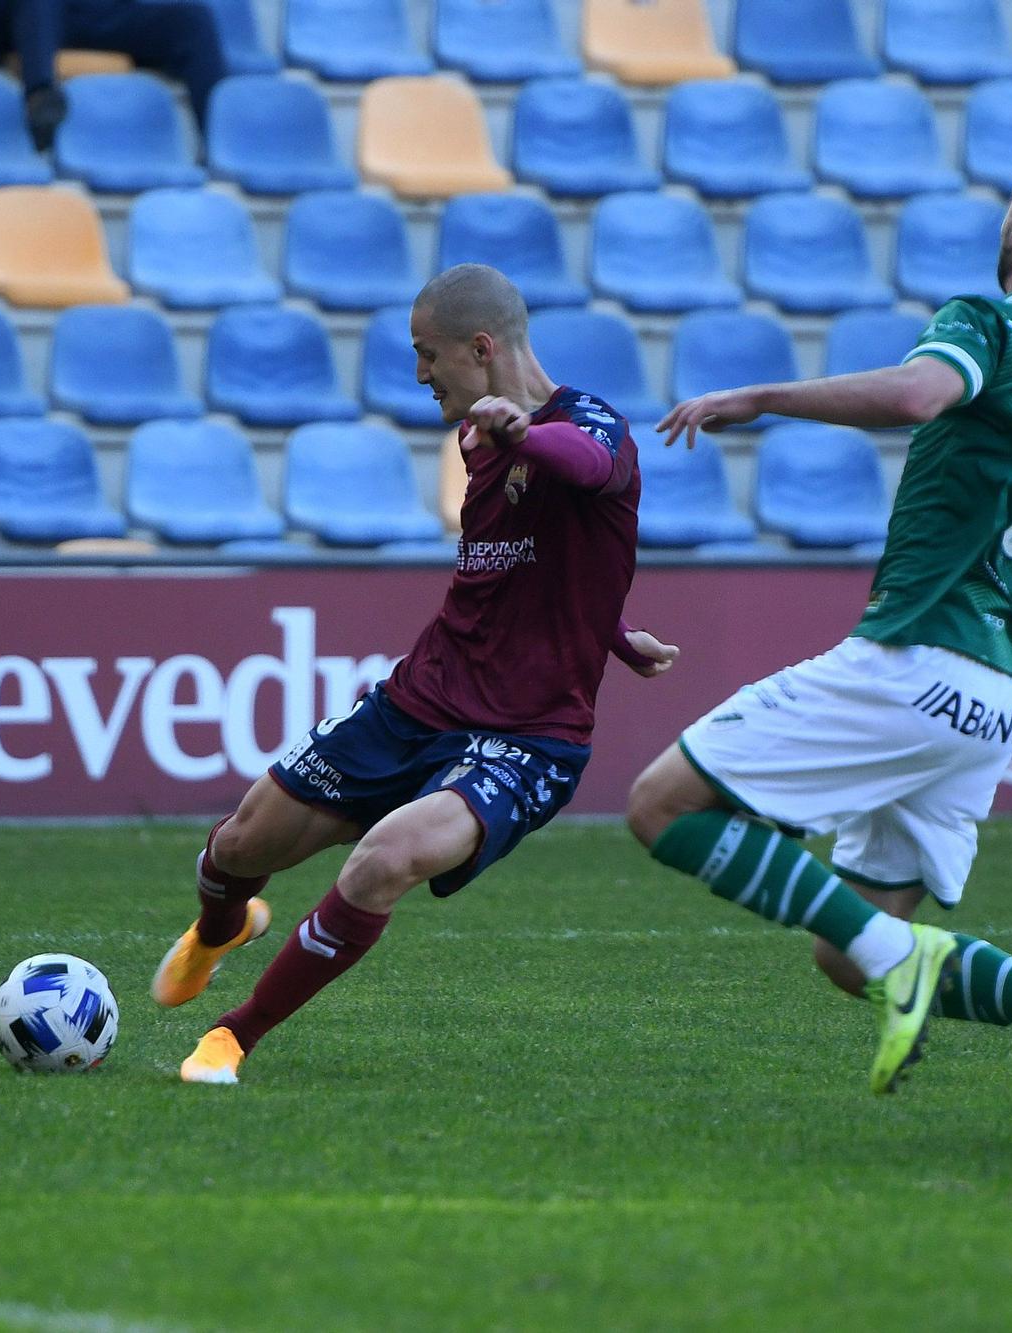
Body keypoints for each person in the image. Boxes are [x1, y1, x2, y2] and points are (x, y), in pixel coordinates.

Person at [627, 135, 1012, 1145]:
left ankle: (906, 962)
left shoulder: (990, 327)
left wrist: (761, 396)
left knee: (659, 805)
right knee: (849, 950)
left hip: (914, 660)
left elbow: (920, 394)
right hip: (993, 702)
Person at [156, 264, 678, 1085]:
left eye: (427, 354)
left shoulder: (592, 427)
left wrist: (522, 435)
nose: (420, 372)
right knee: (235, 848)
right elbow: (525, 564)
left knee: (381, 860)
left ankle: (232, 1036)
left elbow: (580, 467)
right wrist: (608, 629)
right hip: (422, 697)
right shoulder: (474, 439)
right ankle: (220, 926)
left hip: (529, 736)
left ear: (480, 347)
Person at [0, 0, 229, 149]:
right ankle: (40, 98)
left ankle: (223, 142)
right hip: (21, 16)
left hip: (93, 13)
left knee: (193, 20)